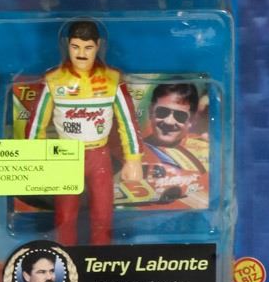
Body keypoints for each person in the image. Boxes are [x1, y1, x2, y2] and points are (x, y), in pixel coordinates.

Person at [27, 19, 142, 245]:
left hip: (99, 155)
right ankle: (65, 256)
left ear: (98, 46)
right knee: (65, 215)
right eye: (75, 47)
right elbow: (37, 123)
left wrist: (133, 159)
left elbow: (128, 122)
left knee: (103, 214)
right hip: (66, 156)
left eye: (88, 47)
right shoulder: (54, 79)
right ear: (67, 45)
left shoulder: (112, 79)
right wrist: (34, 159)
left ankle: (100, 257)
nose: (81, 54)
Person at [143, 83, 208, 203]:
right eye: (162, 112)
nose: (169, 121)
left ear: (192, 120)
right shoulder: (130, 152)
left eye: (180, 116)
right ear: (151, 111)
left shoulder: (205, 150)